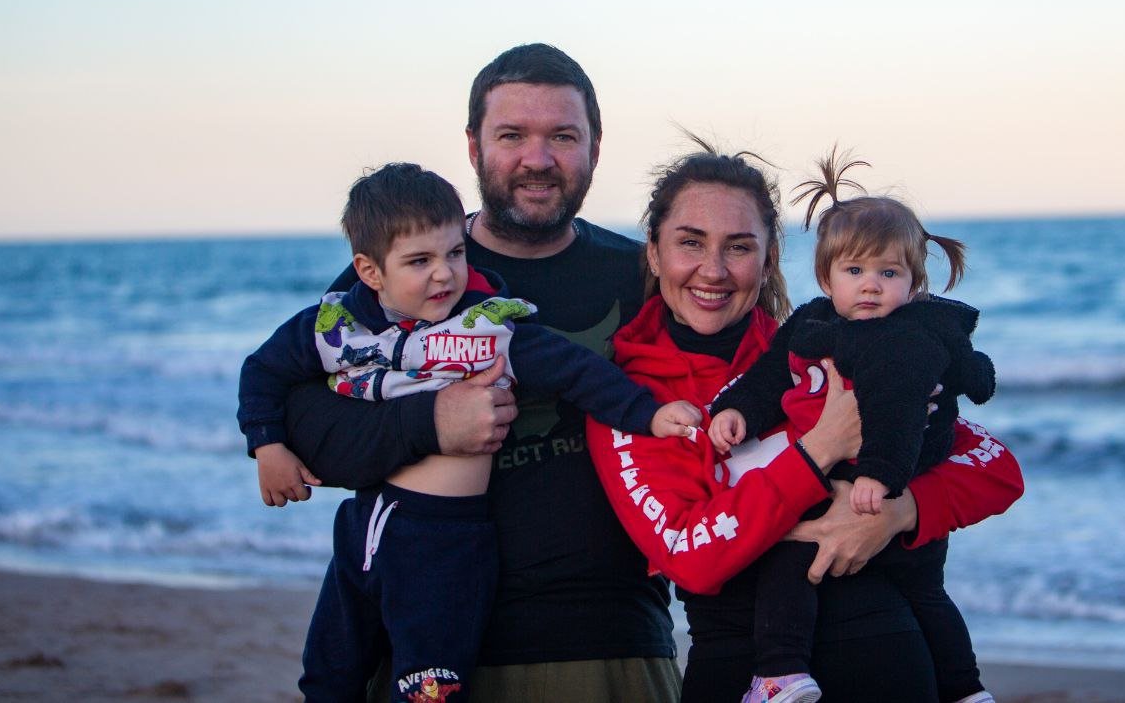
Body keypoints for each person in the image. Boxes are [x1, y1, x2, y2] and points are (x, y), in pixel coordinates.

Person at [282, 43, 698, 701]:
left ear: (595, 145)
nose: (538, 158)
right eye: (513, 135)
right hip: (425, 645)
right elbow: (305, 427)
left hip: (611, 644)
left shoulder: (643, 278)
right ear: (474, 147)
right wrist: (432, 420)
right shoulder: (406, 274)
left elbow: (740, 408)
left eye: (563, 135)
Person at [584, 141, 1024, 702]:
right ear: (653, 252)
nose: (713, 270)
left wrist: (898, 512)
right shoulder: (630, 399)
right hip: (742, 668)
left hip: (883, 648)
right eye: (690, 242)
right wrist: (817, 451)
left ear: (769, 259)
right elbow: (689, 556)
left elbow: (994, 468)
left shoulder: (825, 349)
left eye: (739, 247)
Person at [708, 151, 997, 702]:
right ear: (826, 276)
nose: (871, 286)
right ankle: (791, 676)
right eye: (855, 271)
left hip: (888, 484)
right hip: (839, 479)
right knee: (804, 566)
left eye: (889, 273)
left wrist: (883, 478)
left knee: (910, 589)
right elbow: (771, 377)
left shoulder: (909, 339)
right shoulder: (811, 324)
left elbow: (900, 410)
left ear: (913, 284)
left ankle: (784, 672)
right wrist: (739, 412)